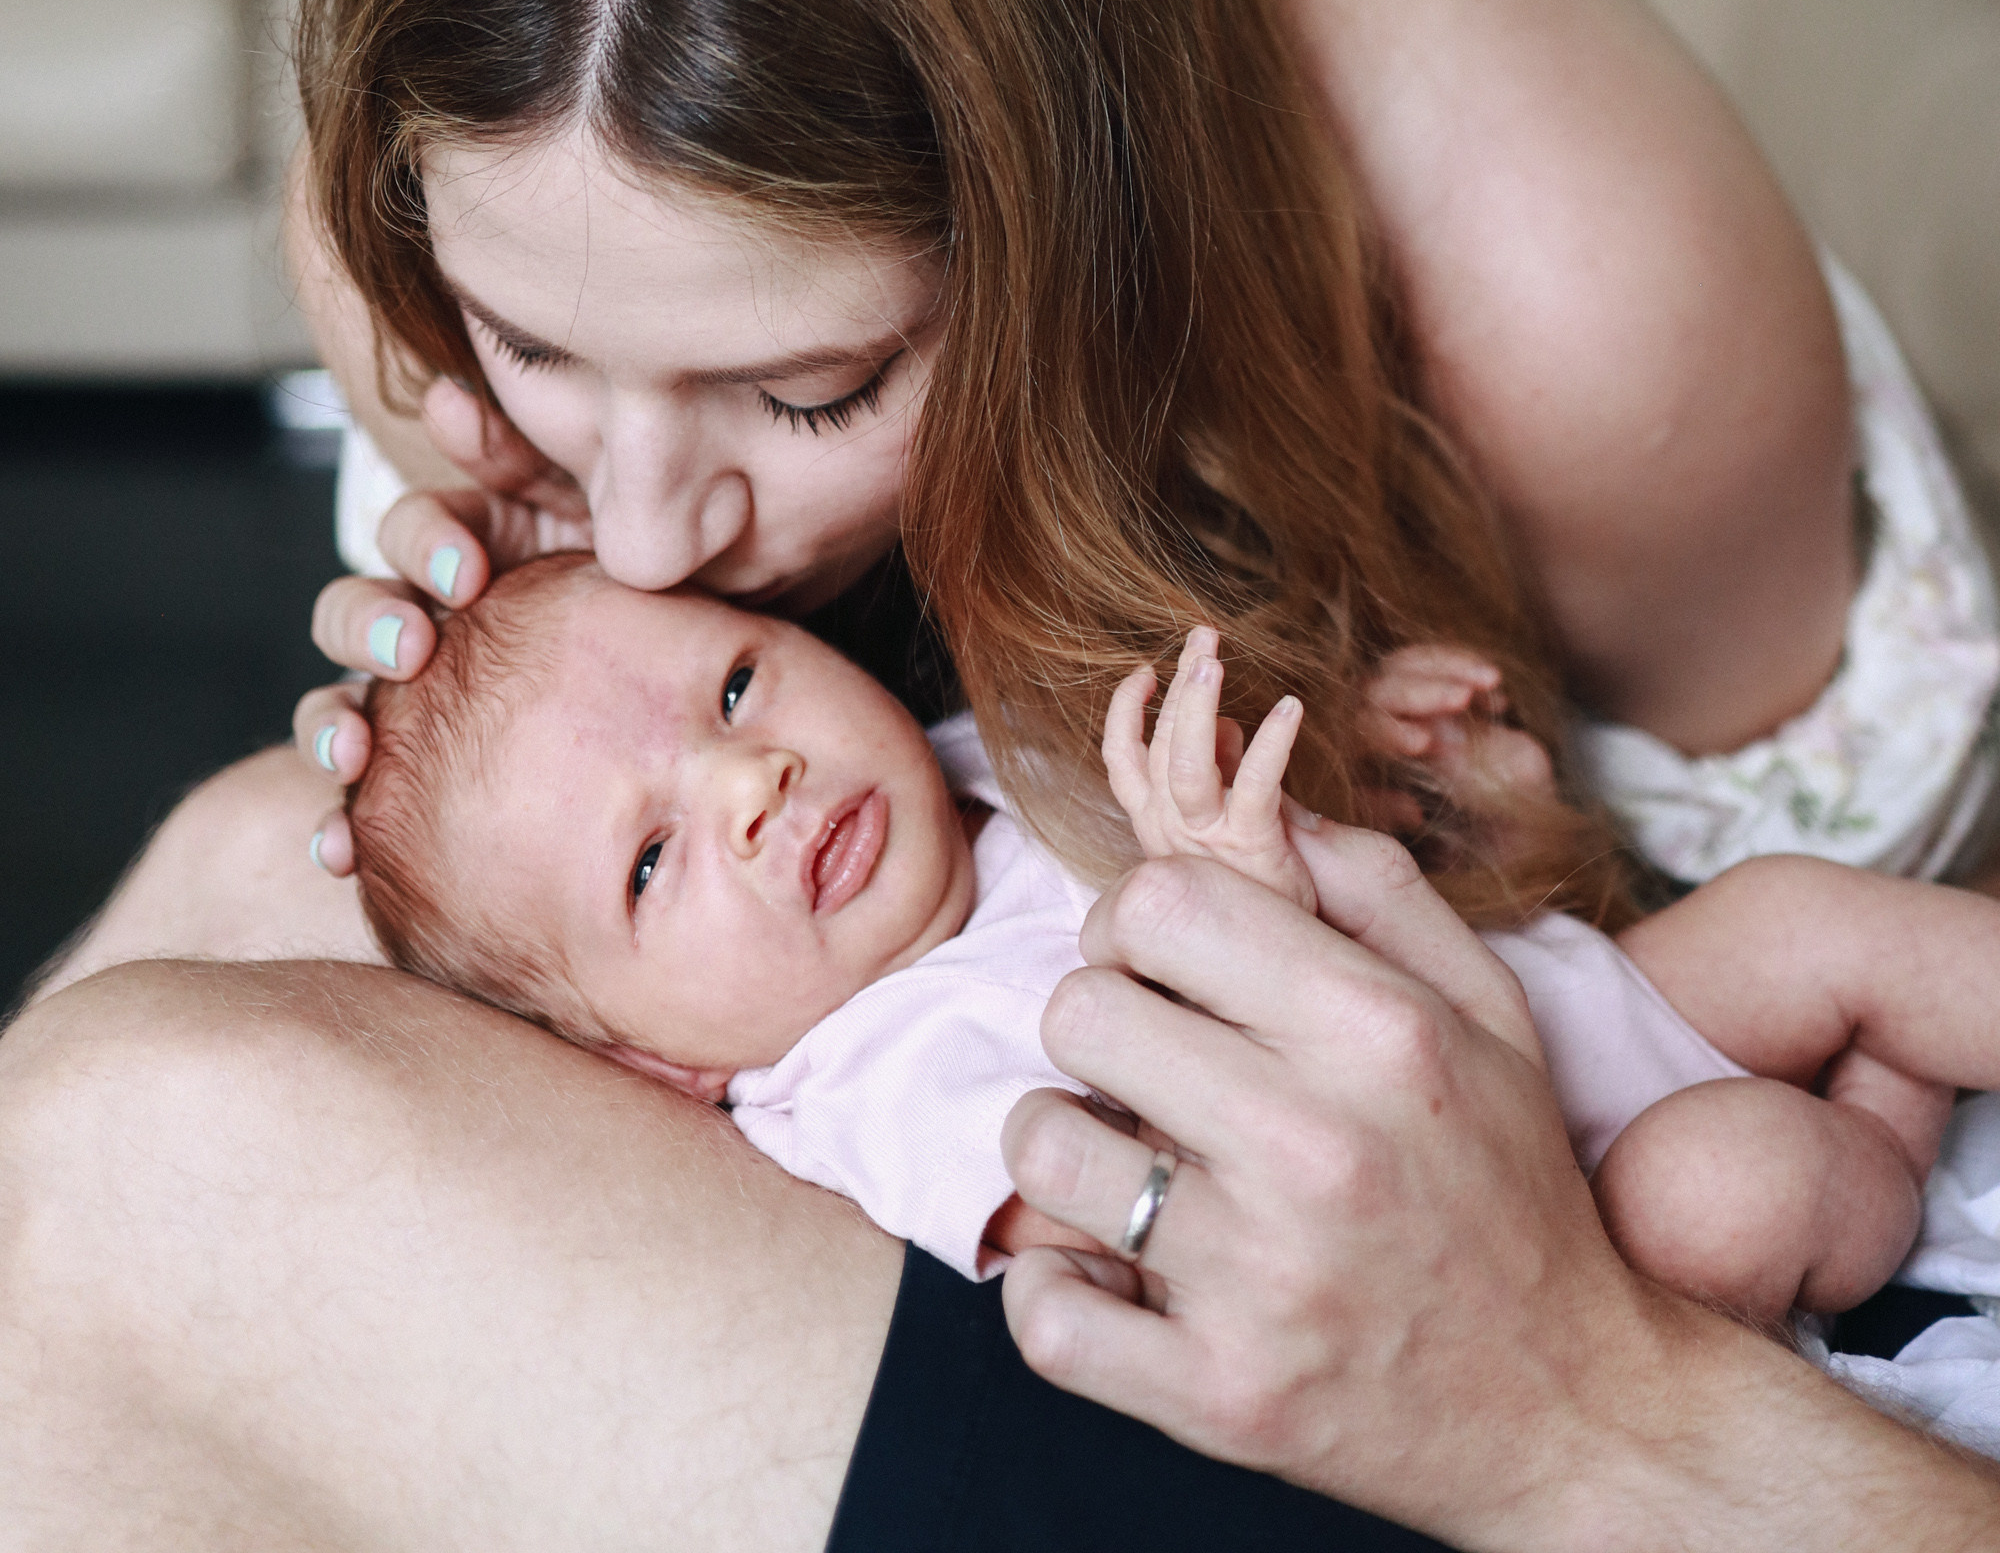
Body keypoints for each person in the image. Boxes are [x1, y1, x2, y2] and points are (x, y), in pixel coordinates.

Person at [8, 0, 2000, 1540]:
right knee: (254, 861)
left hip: (1597, 1260)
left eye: (806, 393)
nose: (644, 527)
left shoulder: (1573, 294)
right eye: (532, 349)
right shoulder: (498, 138)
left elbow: (1746, 1047)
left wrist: (1451, 804)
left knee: (135, 1167)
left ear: (1079, 261)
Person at [349, 556, 2000, 1362]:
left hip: (1596, 1003)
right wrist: (1225, 918)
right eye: (651, 861)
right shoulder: (874, 1083)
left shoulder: (960, 762)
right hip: (1575, 1213)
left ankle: (1896, 1060)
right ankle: (1886, 1150)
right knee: (1740, 1185)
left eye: (733, 689)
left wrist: (1374, 753)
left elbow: (1291, 818)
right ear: (649, 1063)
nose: (752, 783)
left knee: (1801, 913)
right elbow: (1159, 1216)